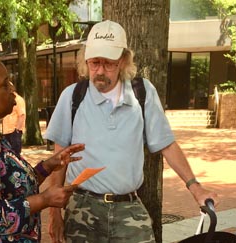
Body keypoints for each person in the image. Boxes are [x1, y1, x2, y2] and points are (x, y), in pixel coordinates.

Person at [44, 20, 219, 243]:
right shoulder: (72, 97)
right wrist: (54, 213)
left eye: (108, 63)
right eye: (94, 62)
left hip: (128, 209)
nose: (99, 71)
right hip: (82, 209)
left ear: (124, 60)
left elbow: (167, 144)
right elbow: (59, 158)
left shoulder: (142, 93)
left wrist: (196, 189)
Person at [0, 52, 85, 243]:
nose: (12, 88)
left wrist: (49, 166)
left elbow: (13, 185)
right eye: (4, 84)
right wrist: (44, 200)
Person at [3, 83, 26, 155]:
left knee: (15, 153)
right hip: (7, 131)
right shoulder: (8, 101)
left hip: (14, 131)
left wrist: (17, 130)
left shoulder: (18, 100)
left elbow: (22, 115)